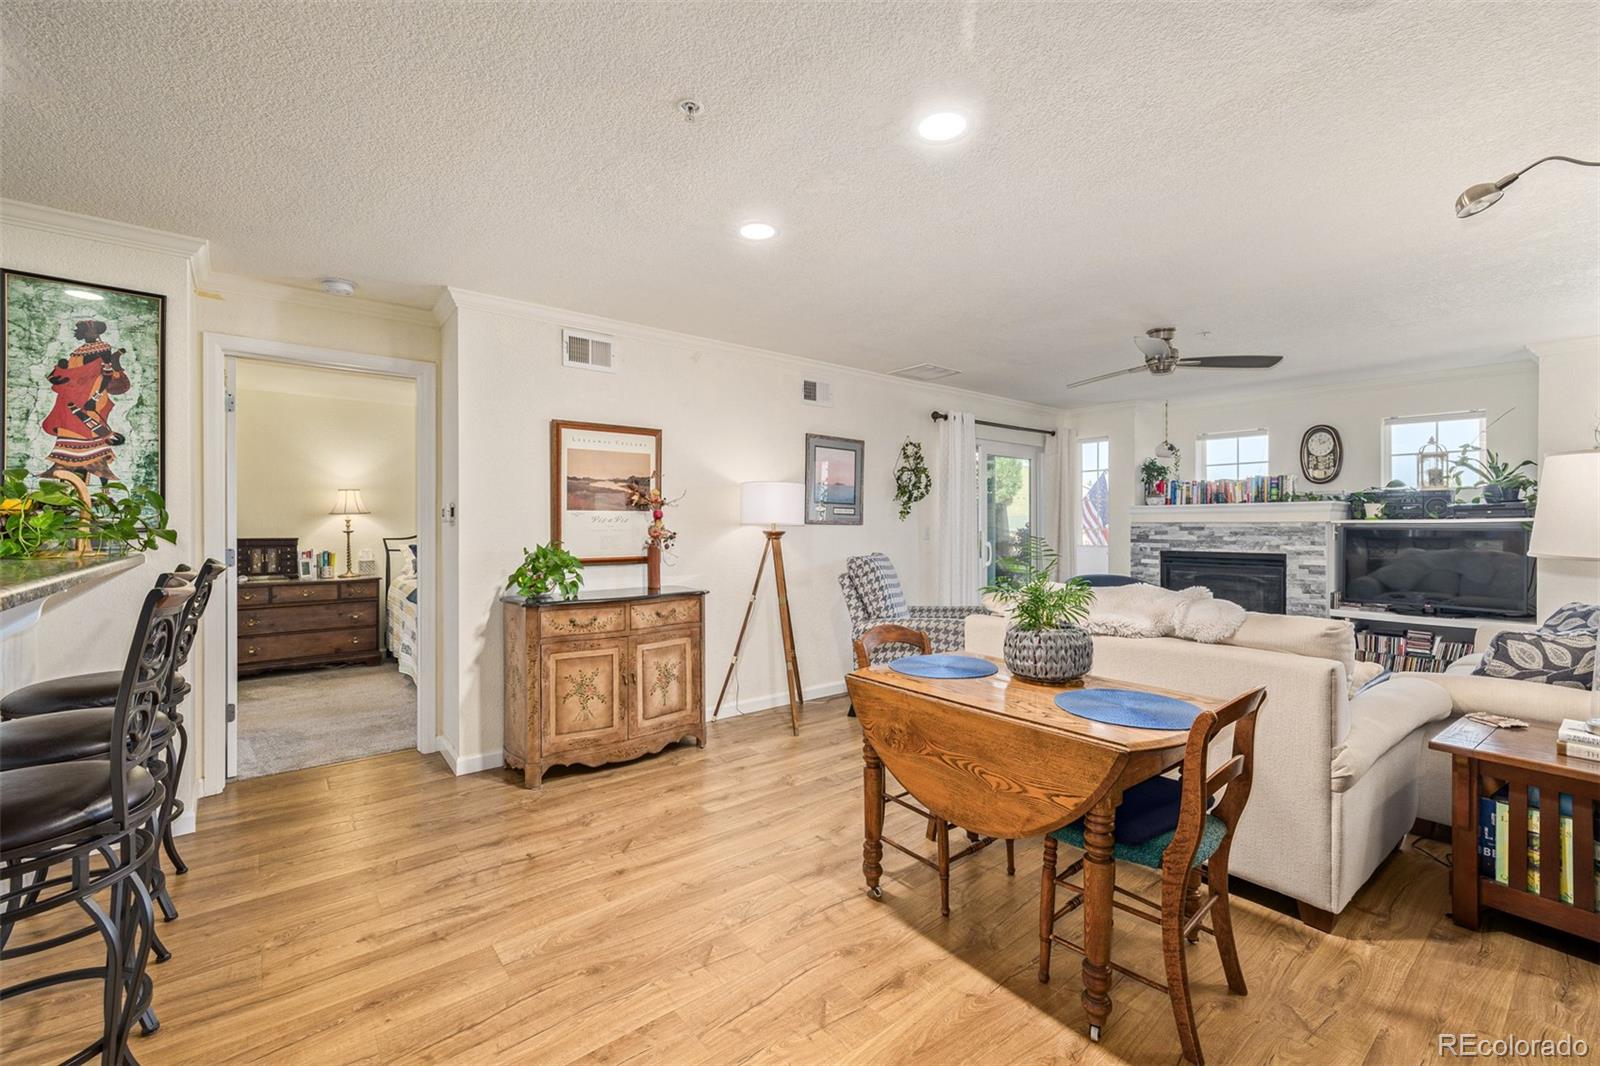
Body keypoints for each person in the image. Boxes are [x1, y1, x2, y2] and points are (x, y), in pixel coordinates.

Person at [39, 316, 130, 491]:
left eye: (84, 330)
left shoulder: (103, 349)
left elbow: (106, 375)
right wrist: (58, 374)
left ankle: (100, 484)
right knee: (69, 427)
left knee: (87, 429)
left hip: (91, 395)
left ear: (93, 331)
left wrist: (94, 399)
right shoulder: (78, 351)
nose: (81, 333)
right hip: (72, 394)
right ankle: (67, 483)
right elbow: (70, 373)